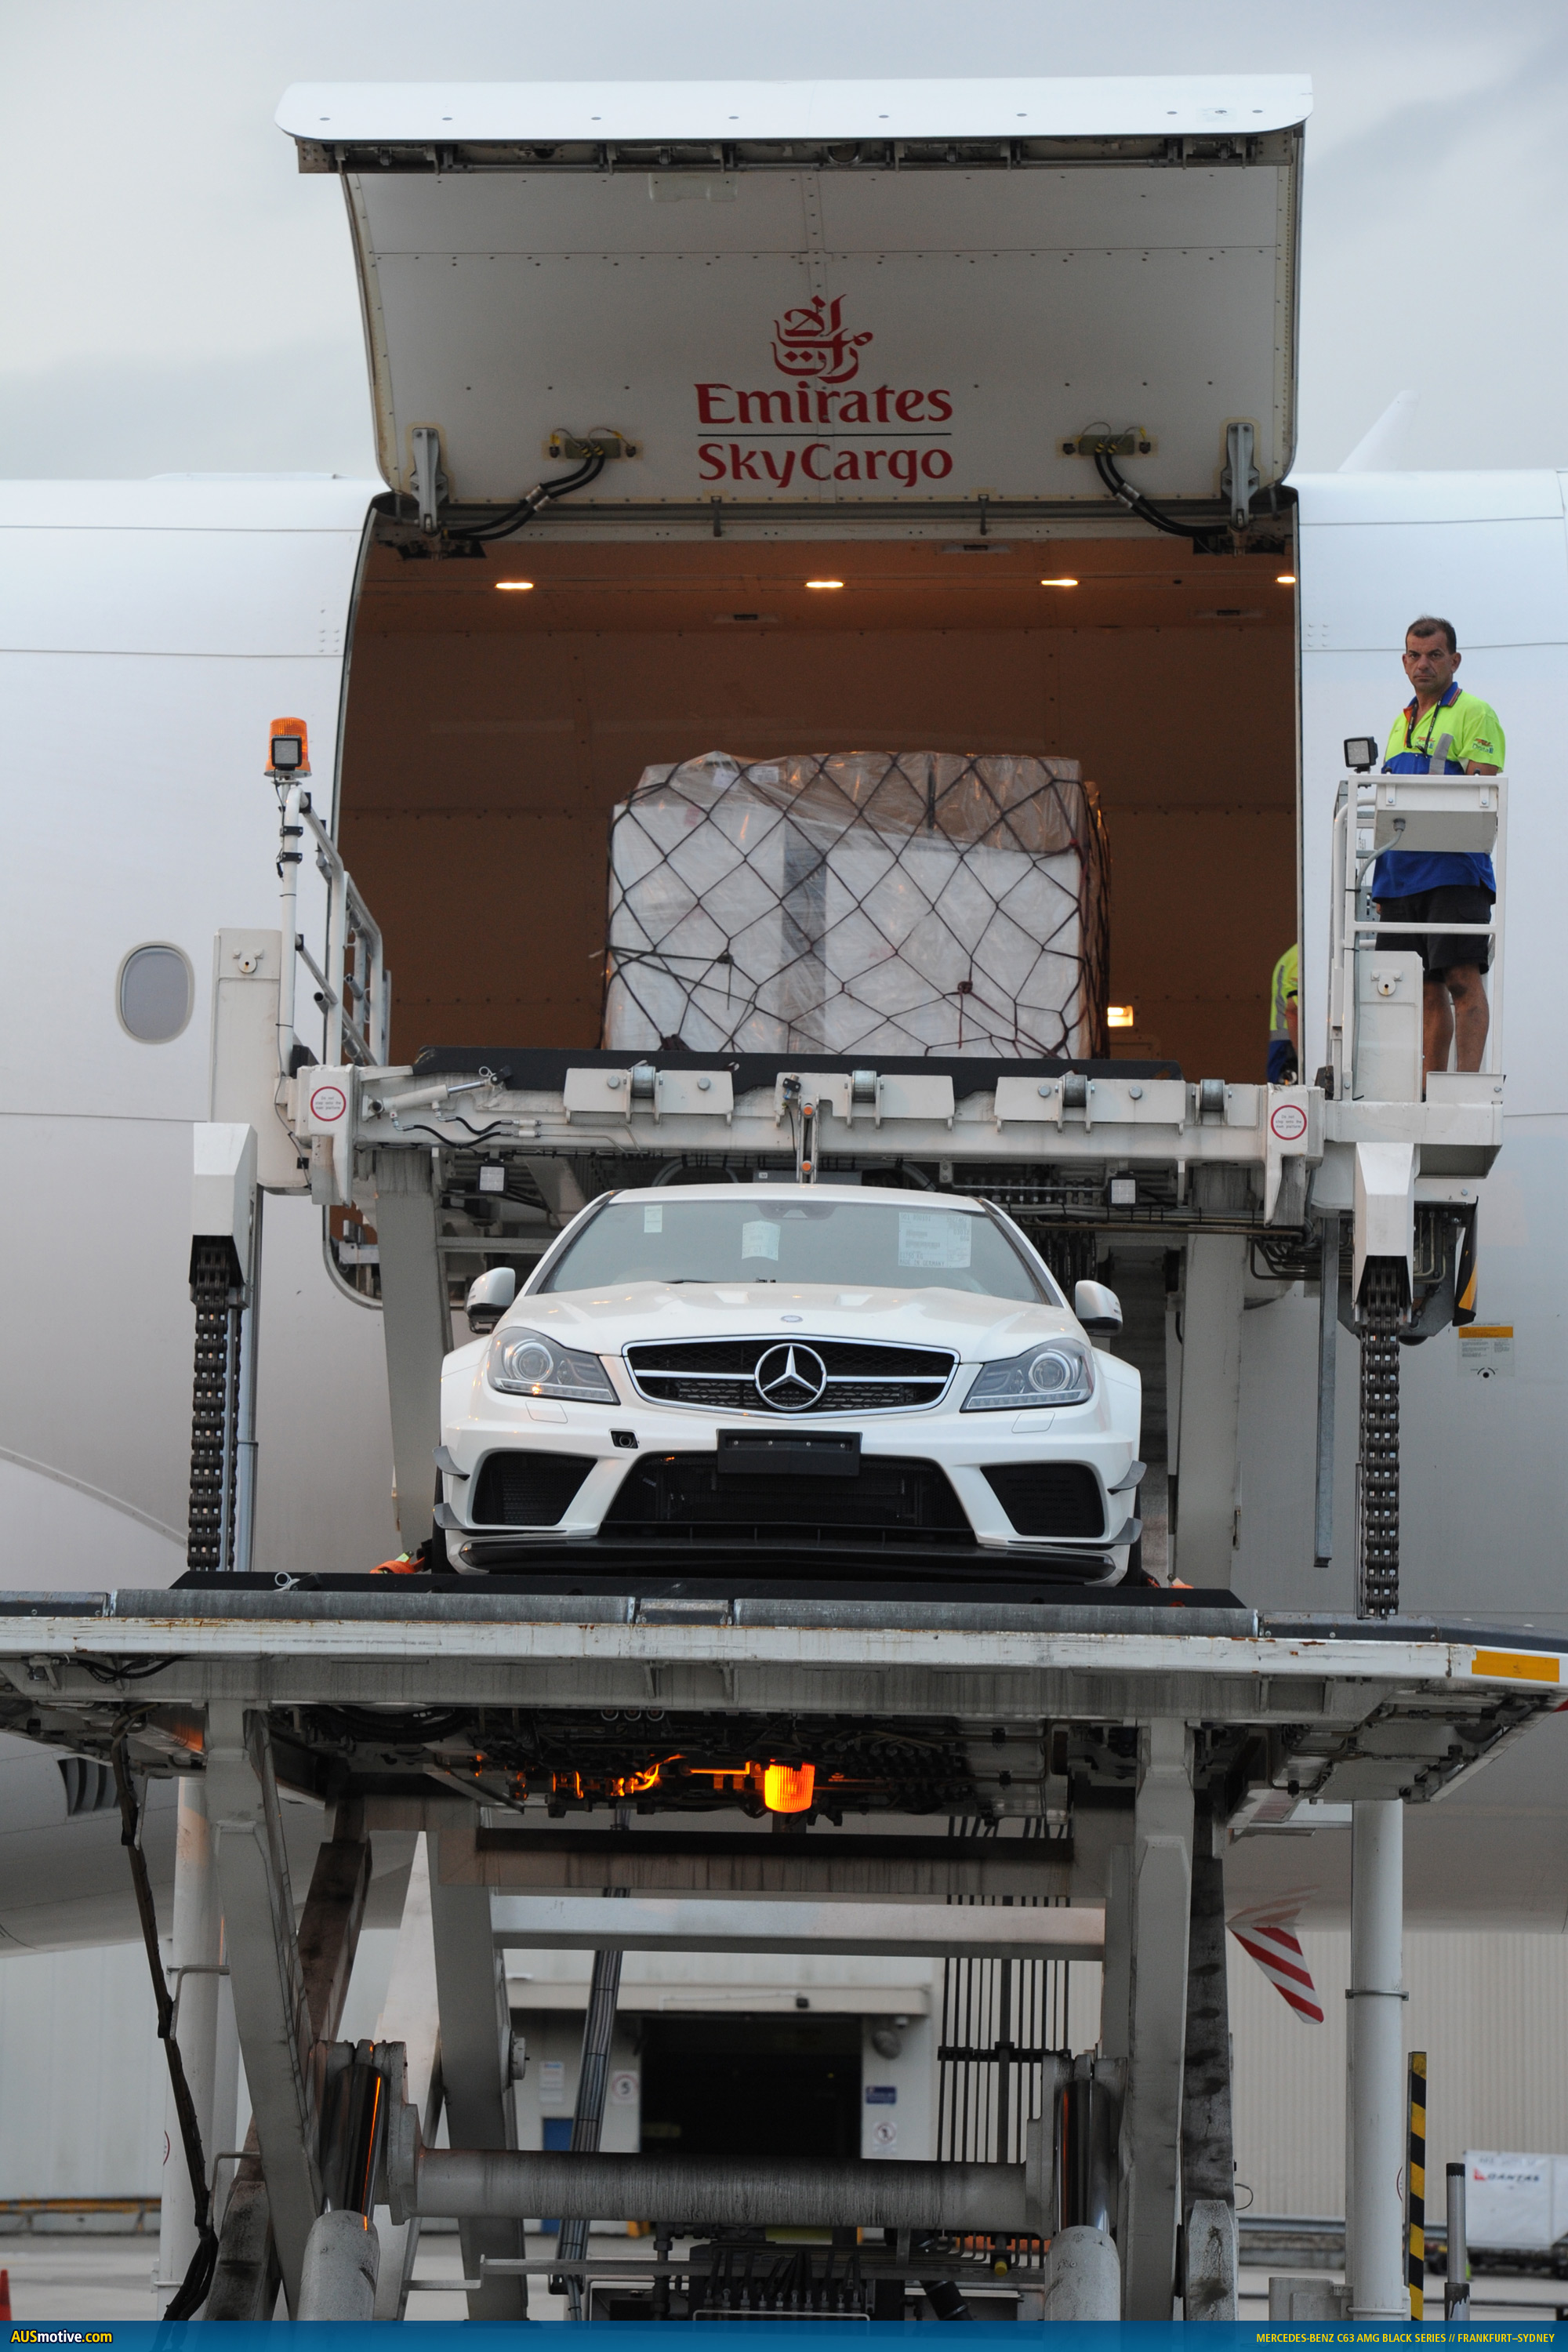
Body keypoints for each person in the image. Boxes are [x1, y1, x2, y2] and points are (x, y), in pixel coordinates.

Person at [1374, 615, 1504, 1078]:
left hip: (1454, 871)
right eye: (1414, 655)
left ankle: (1464, 1087)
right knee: (1422, 990)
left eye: (1434, 655)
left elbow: (1481, 796)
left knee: (1461, 980)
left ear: (1455, 660)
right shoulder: (1401, 720)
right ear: (1404, 660)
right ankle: (1428, 1090)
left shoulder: (1475, 712)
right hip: (1399, 875)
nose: (1422, 664)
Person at [1268, 943, 1299, 1083]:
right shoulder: (1303, 957)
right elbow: (1293, 1011)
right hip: (1290, 1048)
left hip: (1285, 1046)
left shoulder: (1295, 954)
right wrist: (1303, 1060)